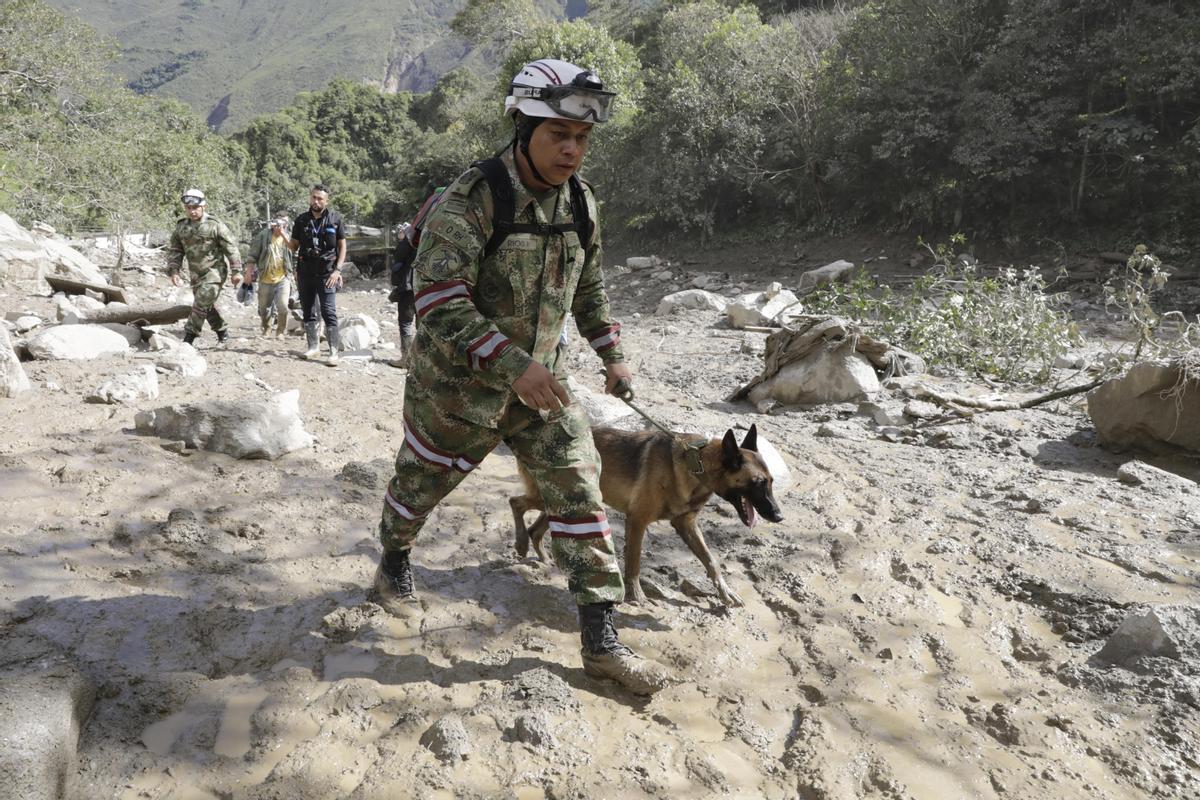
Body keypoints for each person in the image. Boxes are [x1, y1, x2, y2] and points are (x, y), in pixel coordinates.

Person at [370, 59, 670, 695]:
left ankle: (600, 639)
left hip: (544, 386)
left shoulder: (583, 203)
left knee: (579, 488)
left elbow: (587, 286)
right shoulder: (472, 199)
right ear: (522, 125)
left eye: (582, 138)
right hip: (457, 389)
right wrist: (512, 365)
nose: (572, 149)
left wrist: (610, 350)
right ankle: (393, 561)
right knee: (420, 485)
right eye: (558, 133)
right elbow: (439, 298)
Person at [166, 188, 242, 346]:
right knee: (206, 305)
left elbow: (231, 248)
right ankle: (222, 332)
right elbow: (176, 251)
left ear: (203, 207)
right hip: (195, 274)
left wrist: (236, 271)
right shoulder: (181, 227)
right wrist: (174, 271)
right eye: (188, 208)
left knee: (200, 303)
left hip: (215, 273)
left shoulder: (215, 226)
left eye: (195, 208)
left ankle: (189, 338)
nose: (192, 211)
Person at [289, 184, 346, 364]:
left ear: (326, 201)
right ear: (310, 198)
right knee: (308, 310)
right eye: (314, 197)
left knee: (328, 311)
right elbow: (294, 246)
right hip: (305, 272)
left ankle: (333, 352)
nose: (316, 201)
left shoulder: (335, 219)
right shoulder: (301, 220)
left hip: (327, 273)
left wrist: (338, 270)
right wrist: (282, 235)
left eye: (320, 198)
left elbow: (342, 246)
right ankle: (313, 348)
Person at [389, 187, 445, 367]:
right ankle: (426, 361)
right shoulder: (444, 232)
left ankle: (406, 359)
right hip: (433, 286)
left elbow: (400, 255)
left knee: (405, 322)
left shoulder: (417, 230)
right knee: (425, 323)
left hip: (410, 285)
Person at [247, 216, 294, 337]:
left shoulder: (288, 237)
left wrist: (283, 235)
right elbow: (253, 255)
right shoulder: (263, 236)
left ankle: (280, 331)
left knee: (283, 306)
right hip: (265, 277)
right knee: (264, 308)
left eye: (283, 224)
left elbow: (295, 252)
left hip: (283, 277)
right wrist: (249, 273)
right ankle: (267, 328)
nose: (279, 226)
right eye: (277, 223)